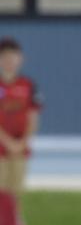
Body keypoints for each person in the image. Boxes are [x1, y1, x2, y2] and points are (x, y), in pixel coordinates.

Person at [0, 37, 41, 202]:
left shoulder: (27, 85)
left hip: (20, 149)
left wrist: (21, 142)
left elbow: (33, 117)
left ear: (20, 59)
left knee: (16, 195)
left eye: (13, 57)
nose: (9, 61)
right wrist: (7, 141)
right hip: (1, 148)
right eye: (5, 57)